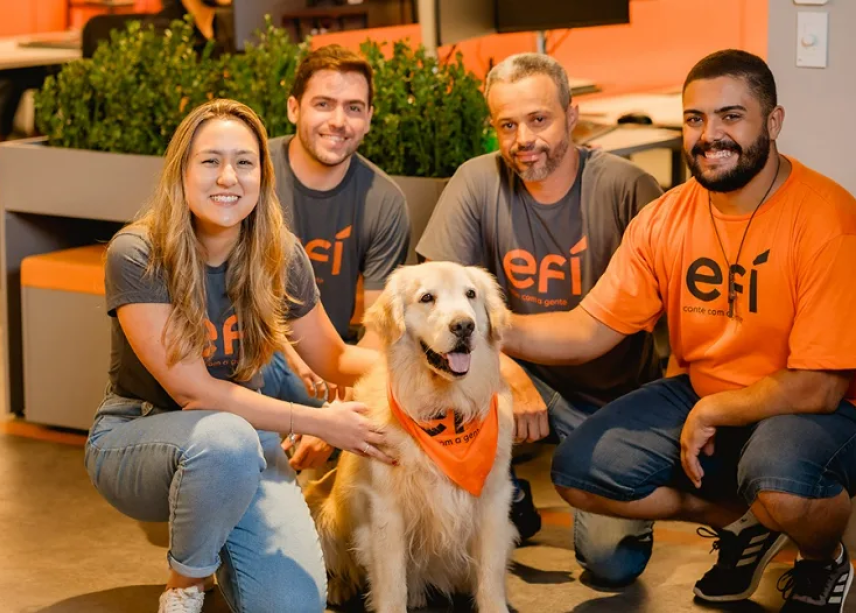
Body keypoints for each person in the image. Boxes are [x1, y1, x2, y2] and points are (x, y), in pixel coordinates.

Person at [504, 49, 856, 612]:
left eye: (730, 117)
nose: (709, 135)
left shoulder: (828, 218)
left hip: (808, 409)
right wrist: (492, 332)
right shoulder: (667, 216)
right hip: (703, 387)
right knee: (579, 471)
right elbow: (588, 329)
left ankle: (822, 558)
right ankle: (751, 524)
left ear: (774, 122)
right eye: (695, 119)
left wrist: (713, 412)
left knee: (780, 482)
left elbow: (820, 386)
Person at [83, 98, 395, 613]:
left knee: (294, 605)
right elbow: (194, 392)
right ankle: (185, 585)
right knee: (224, 438)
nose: (228, 176)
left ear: (261, 175)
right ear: (181, 170)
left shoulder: (279, 252)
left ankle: (218, 532)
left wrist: (433, 362)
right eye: (210, 161)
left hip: (240, 444)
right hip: (138, 437)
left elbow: (336, 360)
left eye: (244, 162)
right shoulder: (138, 252)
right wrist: (319, 422)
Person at [416, 52, 664, 579]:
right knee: (425, 373)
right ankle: (500, 490)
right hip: (509, 377)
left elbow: (668, 318)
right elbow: (434, 304)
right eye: (508, 124)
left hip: (610, 399)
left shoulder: (628, 188)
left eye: (538, 119)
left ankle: (521, 487)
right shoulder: (477, 182)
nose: (523, 138)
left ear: (572, 117)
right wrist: (508, 373)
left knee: (610, 562)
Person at [263, 45, 410, 471]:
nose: (338, 121)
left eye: (353, 107)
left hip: (332, 366)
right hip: (250, 353)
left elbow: (379, 330)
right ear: (293, 108)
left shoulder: (384, 200)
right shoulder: (251, 174)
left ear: (369, 117)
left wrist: (332, 411)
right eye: (323, 104)